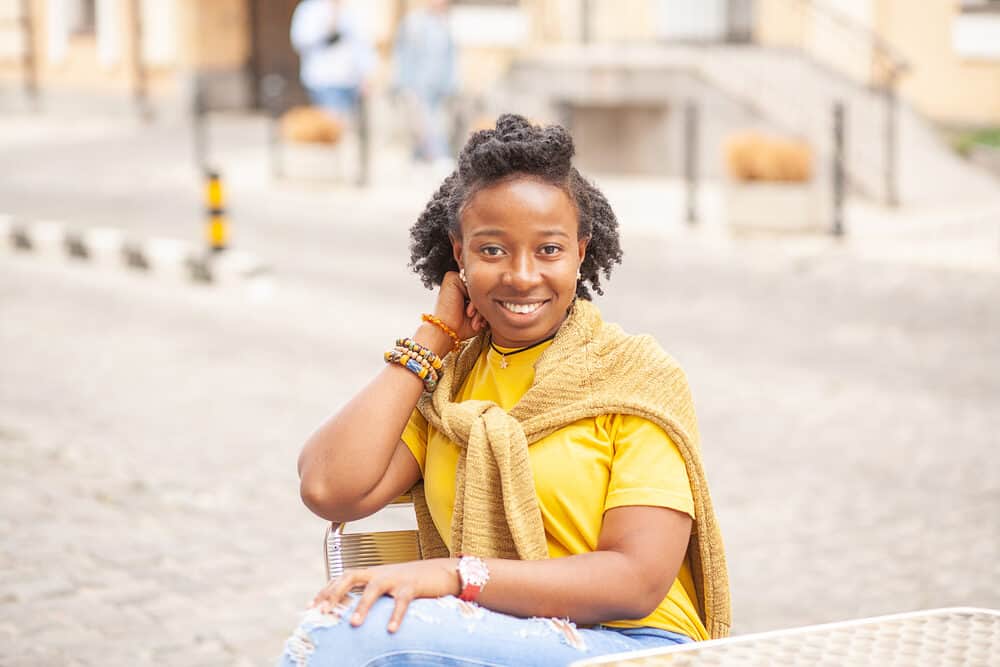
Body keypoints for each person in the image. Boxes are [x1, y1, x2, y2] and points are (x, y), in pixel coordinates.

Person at [278, 114, 730, 667]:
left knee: (348, 634)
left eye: (548, 250)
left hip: (634, 646)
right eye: (492, 250)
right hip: (494, 633)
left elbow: (636, 580)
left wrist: (456, 573)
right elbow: (329, 487)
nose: (521, 275)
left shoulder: (632, 375)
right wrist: (433, 338)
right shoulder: (451, 387)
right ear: (458, 253)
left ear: (581, 251)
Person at [392, 0, 458, 163]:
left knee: (433, 123)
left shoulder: (445, 24)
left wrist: (452, 84)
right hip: (418, 85)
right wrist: (403, 84)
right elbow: (403, 55)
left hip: (439, 86)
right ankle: (438, 156)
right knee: (426, 123)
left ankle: (419, 158)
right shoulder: (414, 23)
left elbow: (450, 58)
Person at [290, 0, 376, 118]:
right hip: (324, 79)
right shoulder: (310, 9)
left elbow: (362, 44)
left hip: (351, 79)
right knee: (333, 122)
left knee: (347, 124)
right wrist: (329, 26)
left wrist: (366, 74)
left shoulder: (351, 9)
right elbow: (301, 41)